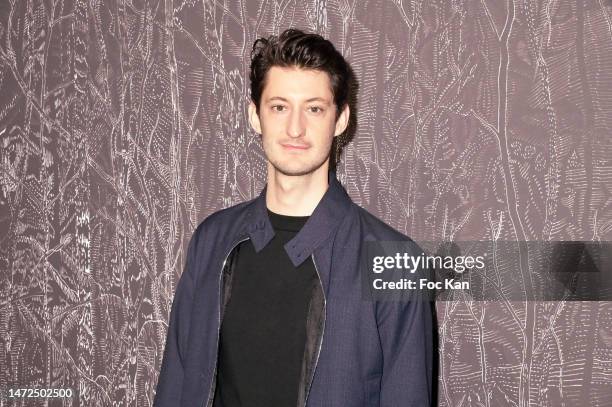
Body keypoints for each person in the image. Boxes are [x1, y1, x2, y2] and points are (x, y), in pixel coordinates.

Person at [153, 28, 433, 407]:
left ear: (340, 120)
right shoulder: (213, 241)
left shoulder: (394, 261)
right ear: (255, 116)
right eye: (279, 106)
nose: (296, 128)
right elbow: (177, 382)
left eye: (314, 108)